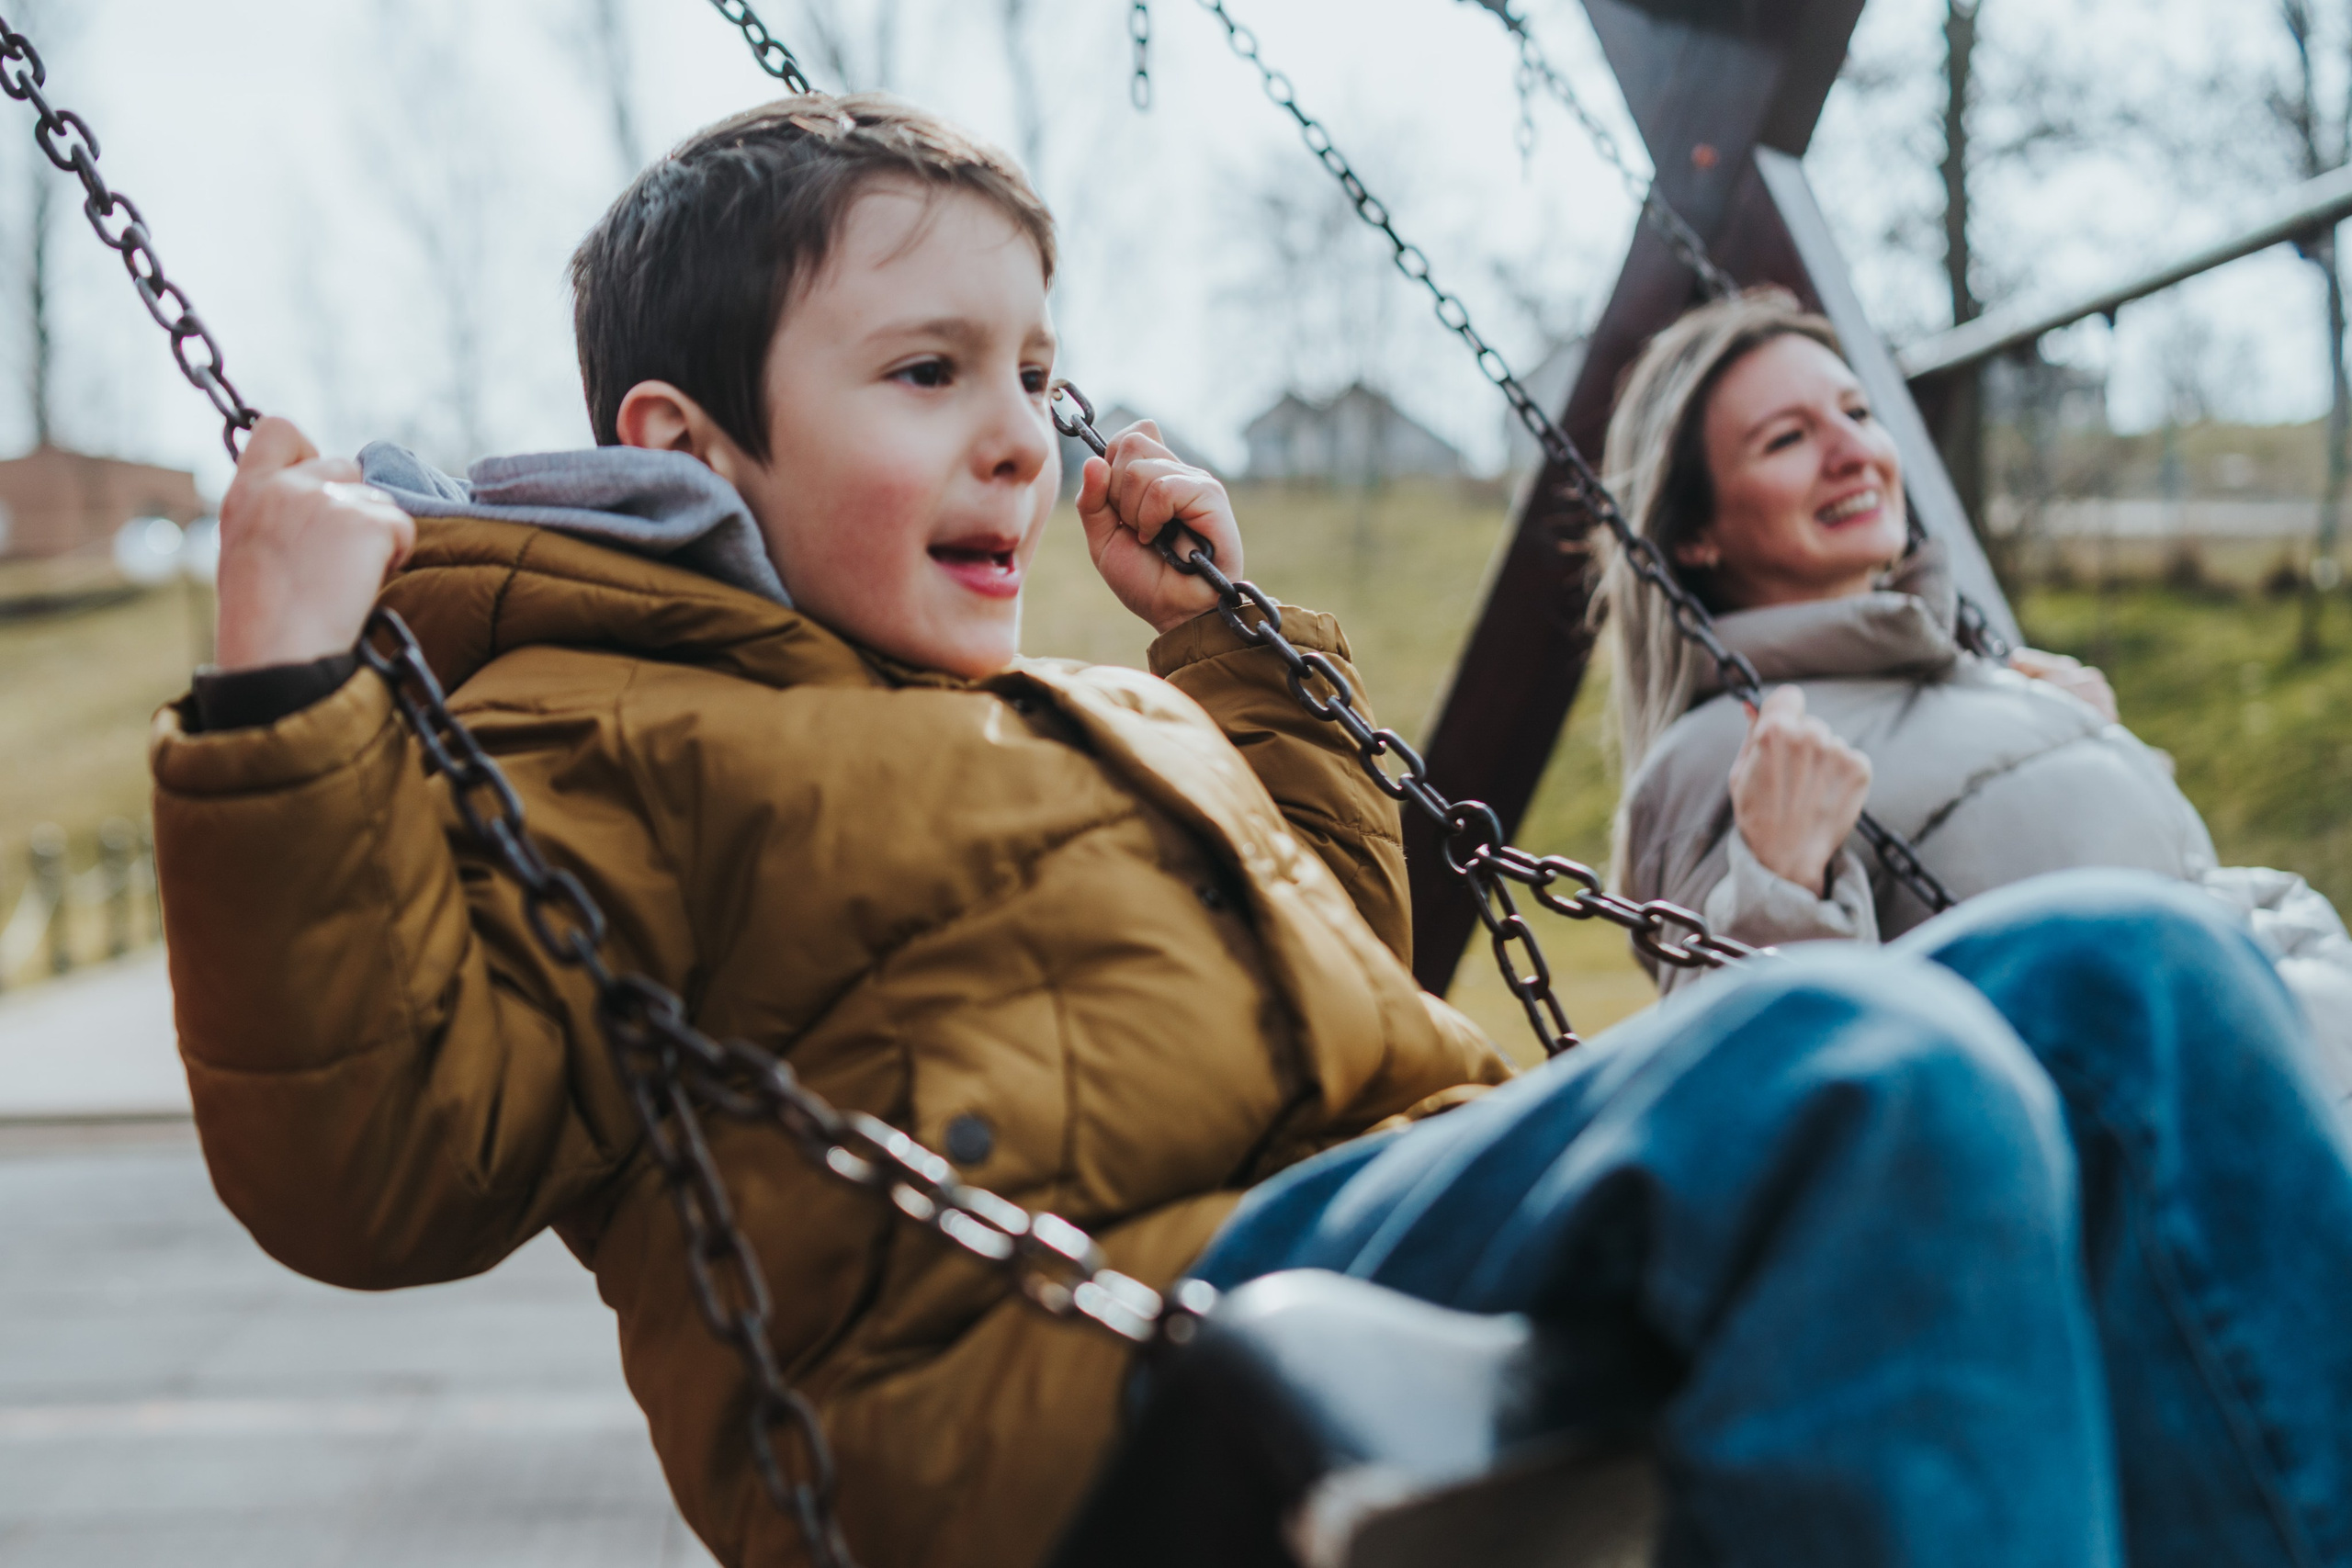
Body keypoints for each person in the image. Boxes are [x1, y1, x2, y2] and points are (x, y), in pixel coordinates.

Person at [149, 96, 2352, 1568]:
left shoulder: (1065, 700)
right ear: (686, 440)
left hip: (1339, 1202)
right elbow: (380, 1164)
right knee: (1872, 1077)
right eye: (929, 376)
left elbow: (1345, 934)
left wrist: (1223, 647)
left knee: (2128, 982)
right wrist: (283, 697)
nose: (1020, 436)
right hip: (1081, 1357)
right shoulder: (587, 732)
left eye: (1034, 372)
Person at [1597, 290, 2352, 1107]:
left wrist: (2091, 748)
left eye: (1856, 410)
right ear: (1694, 535)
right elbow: (1737, 1114)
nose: (1853, 450)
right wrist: (1779, 888)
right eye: (1787, 438)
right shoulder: (1732, 752)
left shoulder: (1998, 679)